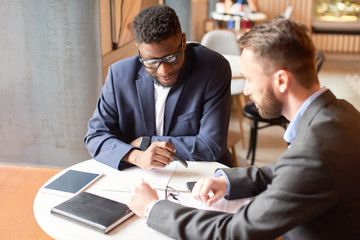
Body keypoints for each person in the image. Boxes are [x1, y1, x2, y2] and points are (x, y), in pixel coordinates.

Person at [127, 19, 360, 239]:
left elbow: (234, 233)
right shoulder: (340, 111)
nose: (246, 90)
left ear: (281, 80)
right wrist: (228, 181)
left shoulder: (316, 151)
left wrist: (152, 208)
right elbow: (287, 170)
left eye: (250, 79)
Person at [84, 5, 234, 170]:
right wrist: (136, 155)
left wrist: (146, 142)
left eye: (171, 58)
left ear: (183, 42)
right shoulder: (119, 75)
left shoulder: (213, 69)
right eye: (151, 62)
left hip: (198, 172)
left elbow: (211, 145)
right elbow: (96, 136)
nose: (164, 71)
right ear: (140, 51)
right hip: (139, 173)